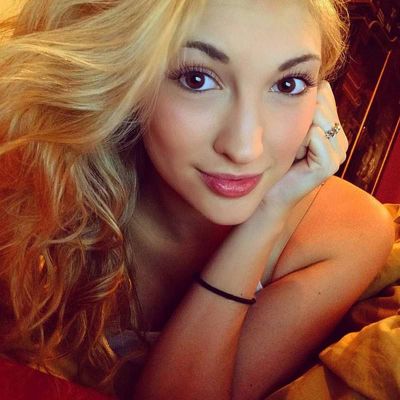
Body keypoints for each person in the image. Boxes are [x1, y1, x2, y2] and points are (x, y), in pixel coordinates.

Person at [0, 1, 395, 399]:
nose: (245, 148)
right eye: (197, 79)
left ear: (321, 98)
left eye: (288, 84)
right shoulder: (38, 173)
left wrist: (266, 218)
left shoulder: (349, 232)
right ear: (128, 74)